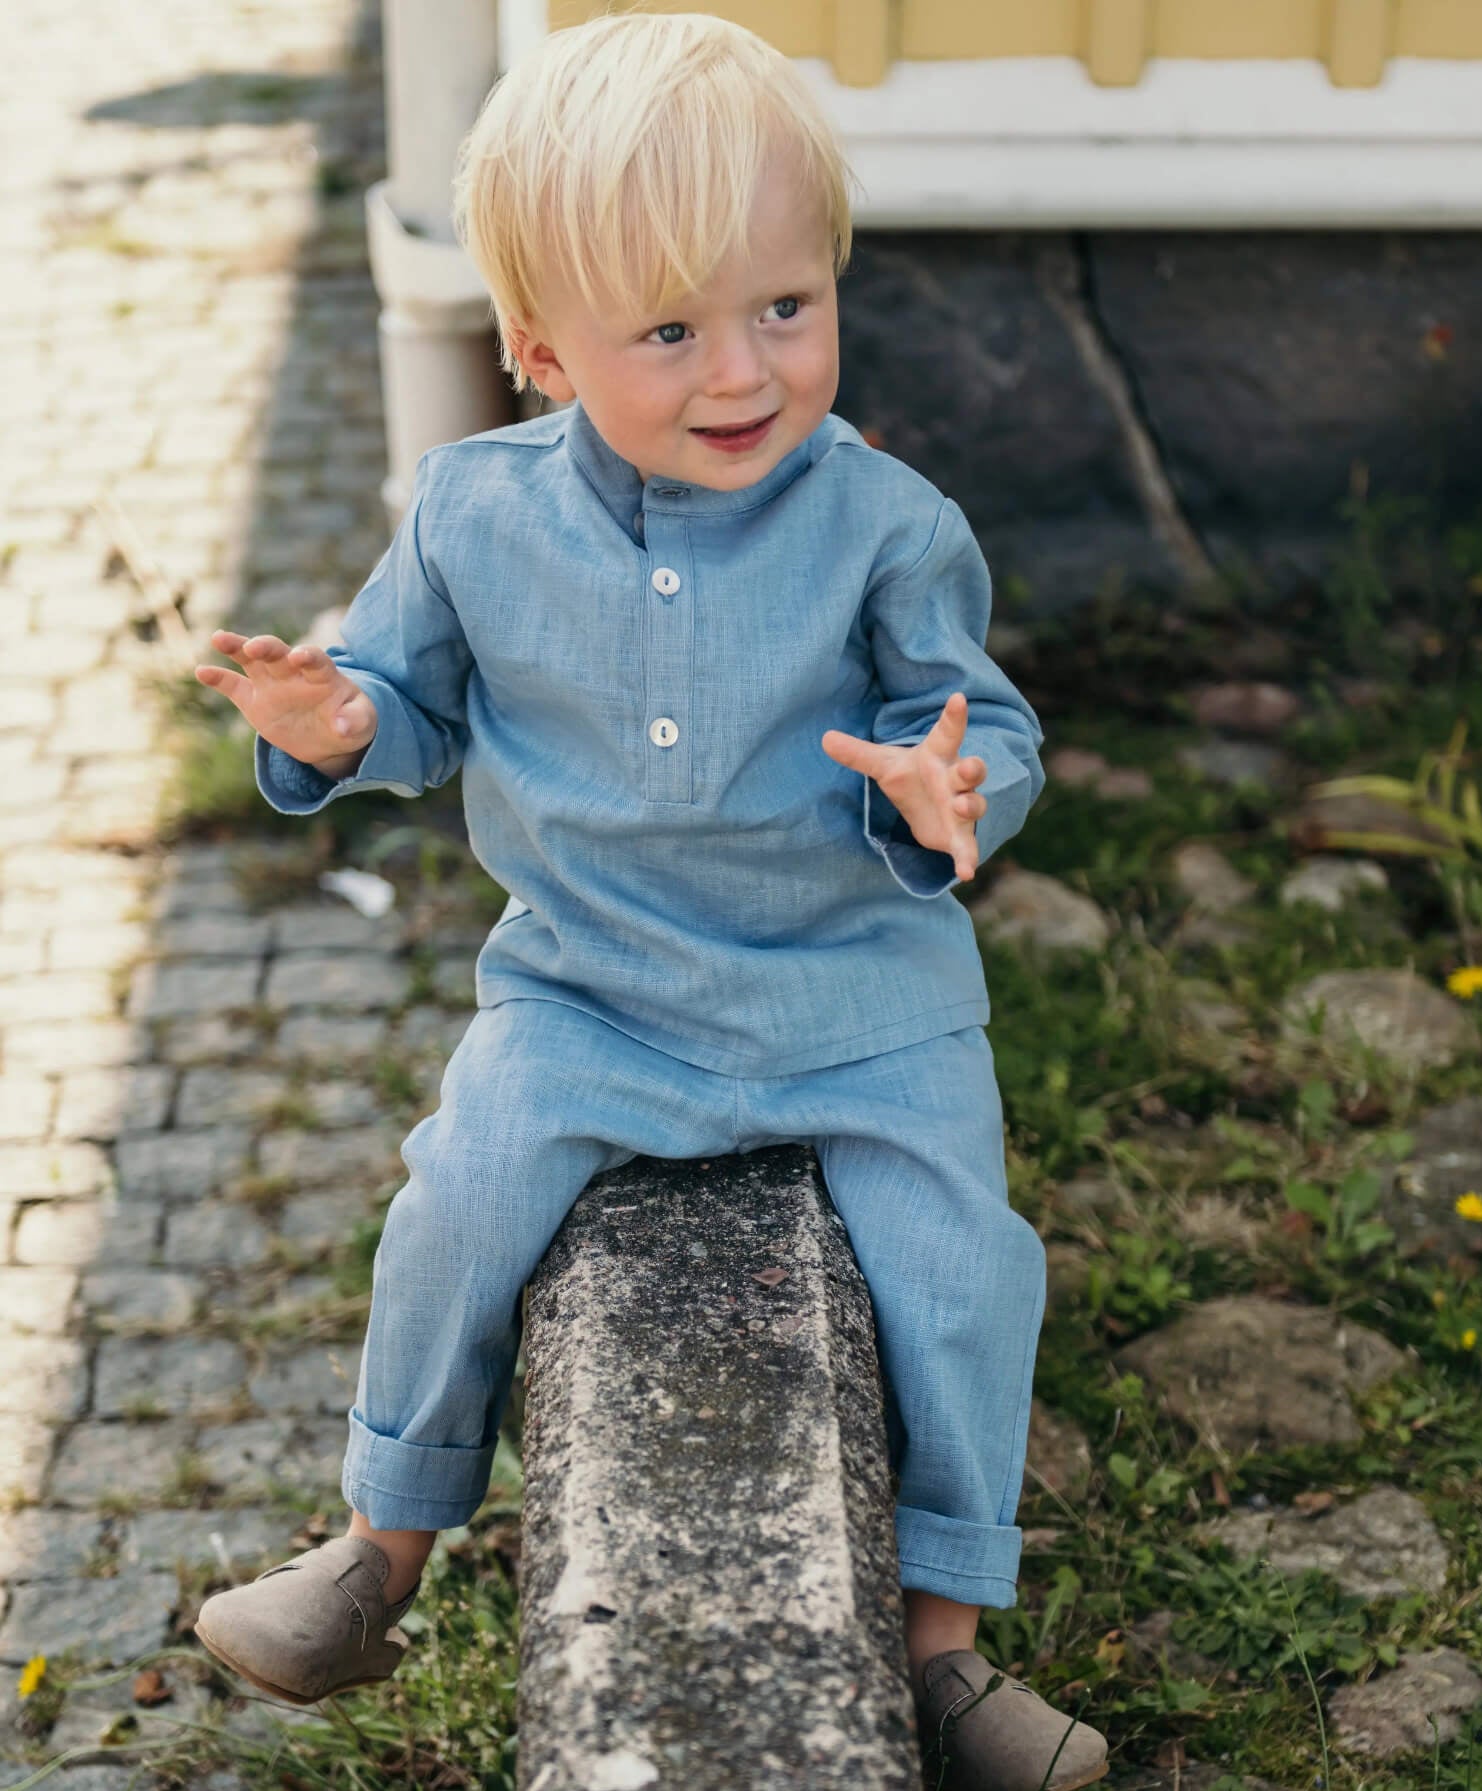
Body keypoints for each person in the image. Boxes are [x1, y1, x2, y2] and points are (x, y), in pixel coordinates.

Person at [190, 12, 1105, 1787]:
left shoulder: (887, 523)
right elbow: (409, 698)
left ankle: (942, 1649)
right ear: (539, 350)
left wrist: (952, 785)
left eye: (783, 306)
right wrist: (335, 717)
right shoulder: (469, 514)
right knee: (459, 1191)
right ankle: (379, 1547)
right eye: (670, 330)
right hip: (594, 994)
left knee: (962, 1265)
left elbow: (972, 714)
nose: (742, 371)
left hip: (861, 995)